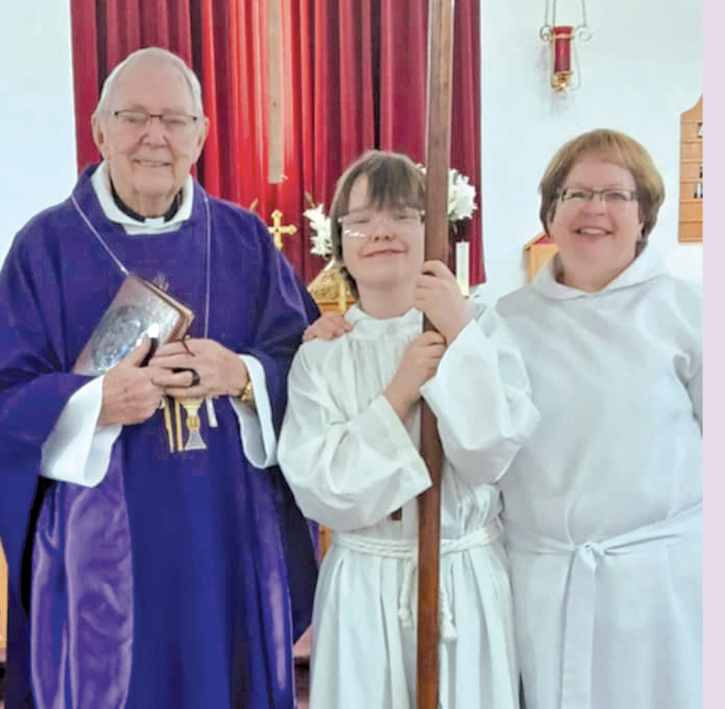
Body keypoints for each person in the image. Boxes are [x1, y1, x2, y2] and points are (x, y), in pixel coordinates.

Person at [0, 47, 319, 709]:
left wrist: (241, 375)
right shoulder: (45, 247)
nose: (154, 136)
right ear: (99, 130)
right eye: (133, 117)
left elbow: (307, 357)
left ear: (201, 136)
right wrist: (93, 401)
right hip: (101, 554)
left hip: (224, 535)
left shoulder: (244, 242)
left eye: (174, 120)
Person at [279, 150, 539, 708]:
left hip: (462, 580)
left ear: (434, 230)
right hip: (364, 586)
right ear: (339, 243)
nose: (381, 232)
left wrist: (460, 336)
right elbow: (323, 491)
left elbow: (489, 454)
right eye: (362, 220)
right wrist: (398, 393)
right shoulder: (323, 356)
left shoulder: (481, 330)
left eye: (402, 214)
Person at [496, 129, 702, 709]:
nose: (595, 209)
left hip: (663, 587)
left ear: (645, 216)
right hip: (543, 584)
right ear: (550, 213)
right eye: (576, 193)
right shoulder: (504, 321)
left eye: (616, 195)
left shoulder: (685, 312)